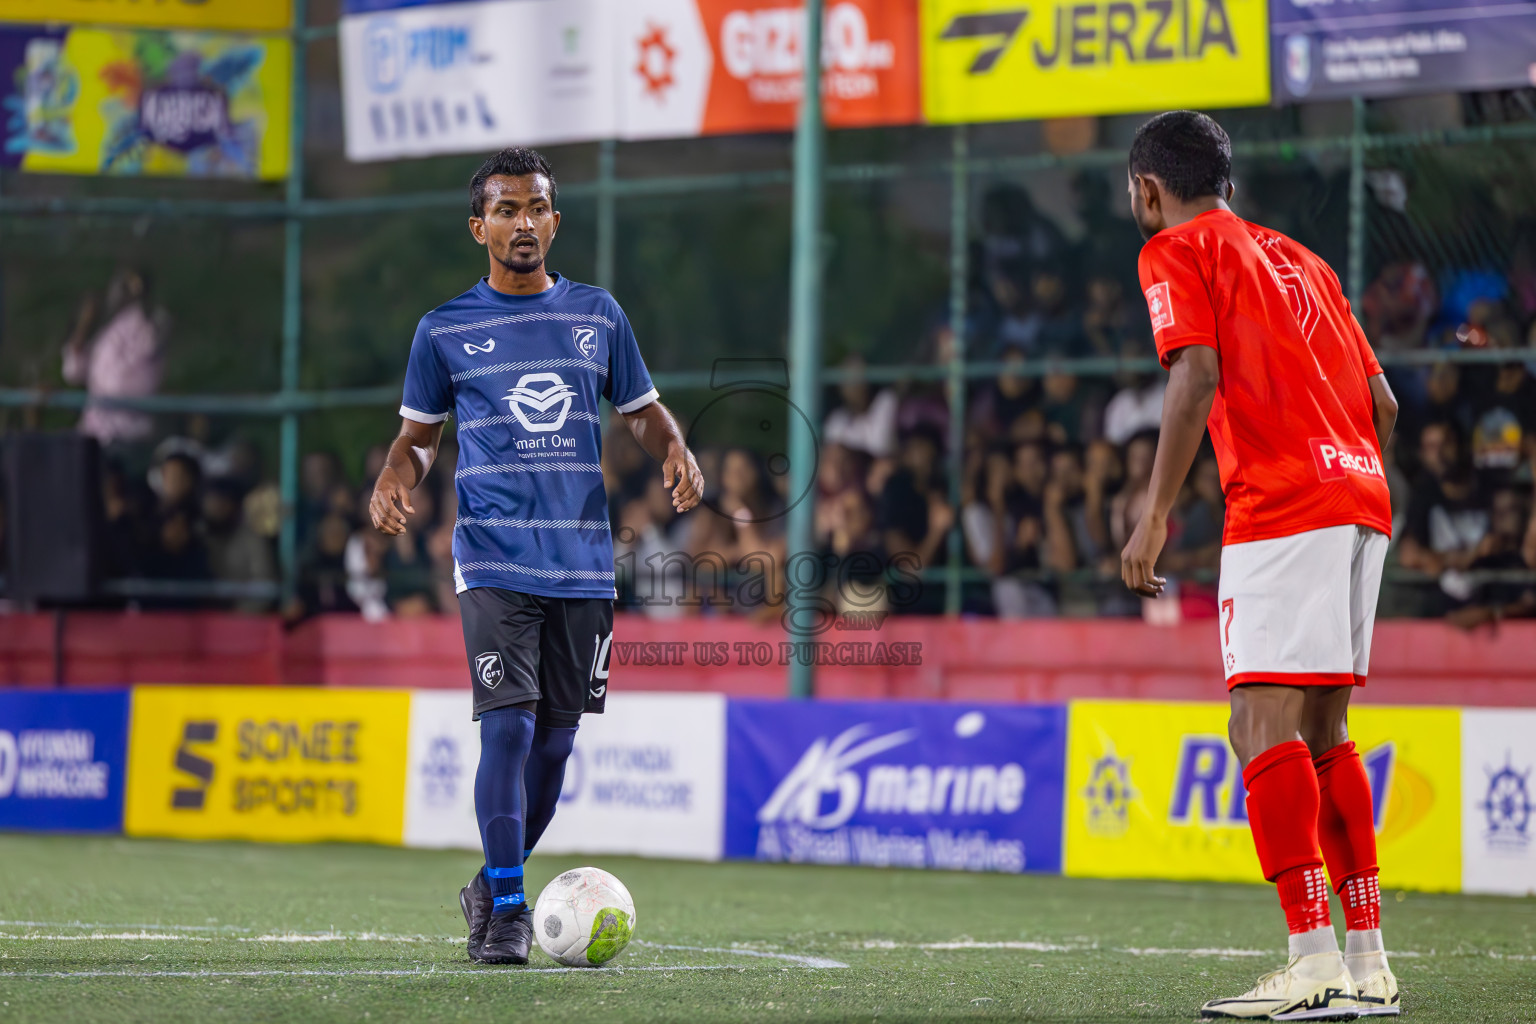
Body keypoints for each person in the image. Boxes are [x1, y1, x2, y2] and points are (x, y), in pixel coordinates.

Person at [367, 148, 703, 967]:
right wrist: (391, 475)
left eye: (537, 207)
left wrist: (676, 450)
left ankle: (489, 882)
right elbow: (418, 440)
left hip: (584, 564)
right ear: (480, 225)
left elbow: (644, 412)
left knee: (555, 745)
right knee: (509, 731)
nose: (524, 222)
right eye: (507, 209)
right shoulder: (444, 329)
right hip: (492, 560)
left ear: (555, 219)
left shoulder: (599, 315)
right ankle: (510, 913)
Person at [1118, 112, 1400, 1020]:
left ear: (1149, 190)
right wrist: (1346, 476)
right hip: (1361, 499)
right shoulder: (1303, 259)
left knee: (1259, 725)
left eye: (1135, 192)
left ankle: (1309, 958)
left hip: (1283, 507)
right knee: (1326, 733)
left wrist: (1154, 516)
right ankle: (1366, 964)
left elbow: (1193, 374)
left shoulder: (1175, 249)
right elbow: (1382, 402)